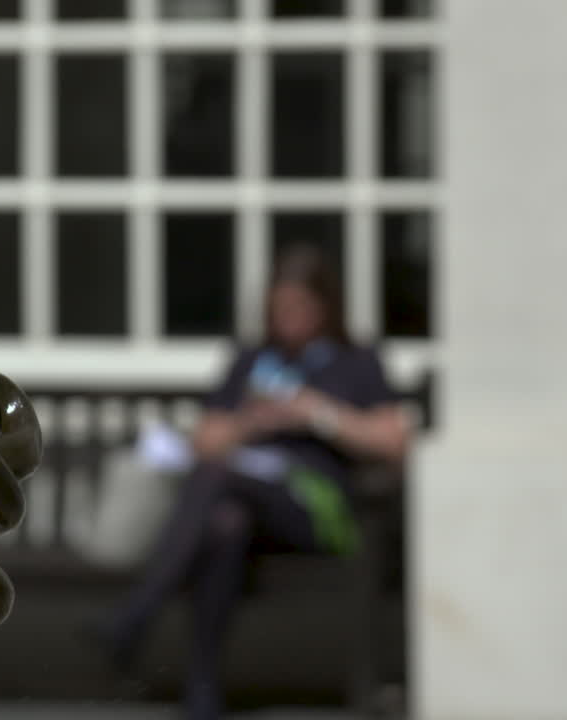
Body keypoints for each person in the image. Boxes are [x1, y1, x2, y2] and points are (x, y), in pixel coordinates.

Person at [96, 244, 411, 719]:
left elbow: (393, 441)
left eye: (299, 308)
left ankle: (139, 614)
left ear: (325, 307)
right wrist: (252, 422)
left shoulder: (355, 361)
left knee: (220, 483)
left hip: (318, 510)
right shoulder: (252, 360)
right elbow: (205, 439)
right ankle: (201, 688)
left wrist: (316, 413)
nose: (287, 318)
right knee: (225, 520)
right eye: (279, 308)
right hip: (248, 502)